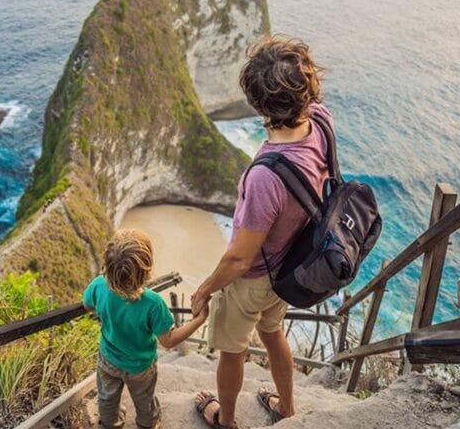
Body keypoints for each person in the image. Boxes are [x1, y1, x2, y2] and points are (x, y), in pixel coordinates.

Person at [191, 35, 332, 428]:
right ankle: (286, 408)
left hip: (253, 279)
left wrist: (205, 289)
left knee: (231, 352)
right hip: (289, 266)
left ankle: (227, 421)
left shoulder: (265, 177)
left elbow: (239, 258)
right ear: (308, 92)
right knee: (273, 334)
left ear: (256, 104)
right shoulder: (321, 122)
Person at [84, 228, 208, 429]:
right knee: (144, 401)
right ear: (147, 269)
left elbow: (87, 304)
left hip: (108, 358)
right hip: (140, 367)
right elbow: (168, 341)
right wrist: (199, 320)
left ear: (107, 265)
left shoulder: (99, 285)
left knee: (107, 397)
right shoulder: (153, 303)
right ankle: (147, 424)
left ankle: (110, 423)